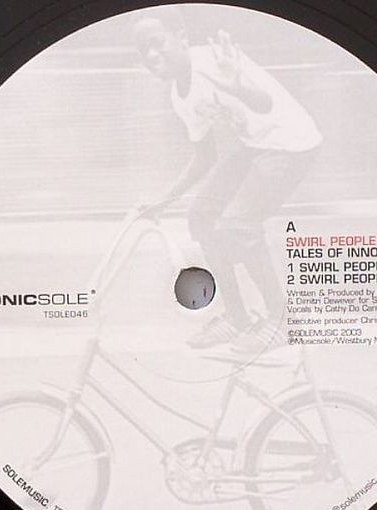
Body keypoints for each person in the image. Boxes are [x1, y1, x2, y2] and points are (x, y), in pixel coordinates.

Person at [132, 8, 322, 351]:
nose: (152, 54)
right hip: (256, 146)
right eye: (144, 50)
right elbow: (204, 157)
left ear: (181, 37)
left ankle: (282, 322)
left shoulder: (213, 62)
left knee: (239, 223)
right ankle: (237, 318)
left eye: (158, 43)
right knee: (201, 216)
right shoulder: (180, 97)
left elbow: (264, 104)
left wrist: (238, 86)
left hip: (291, 143)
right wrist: (164, 201)